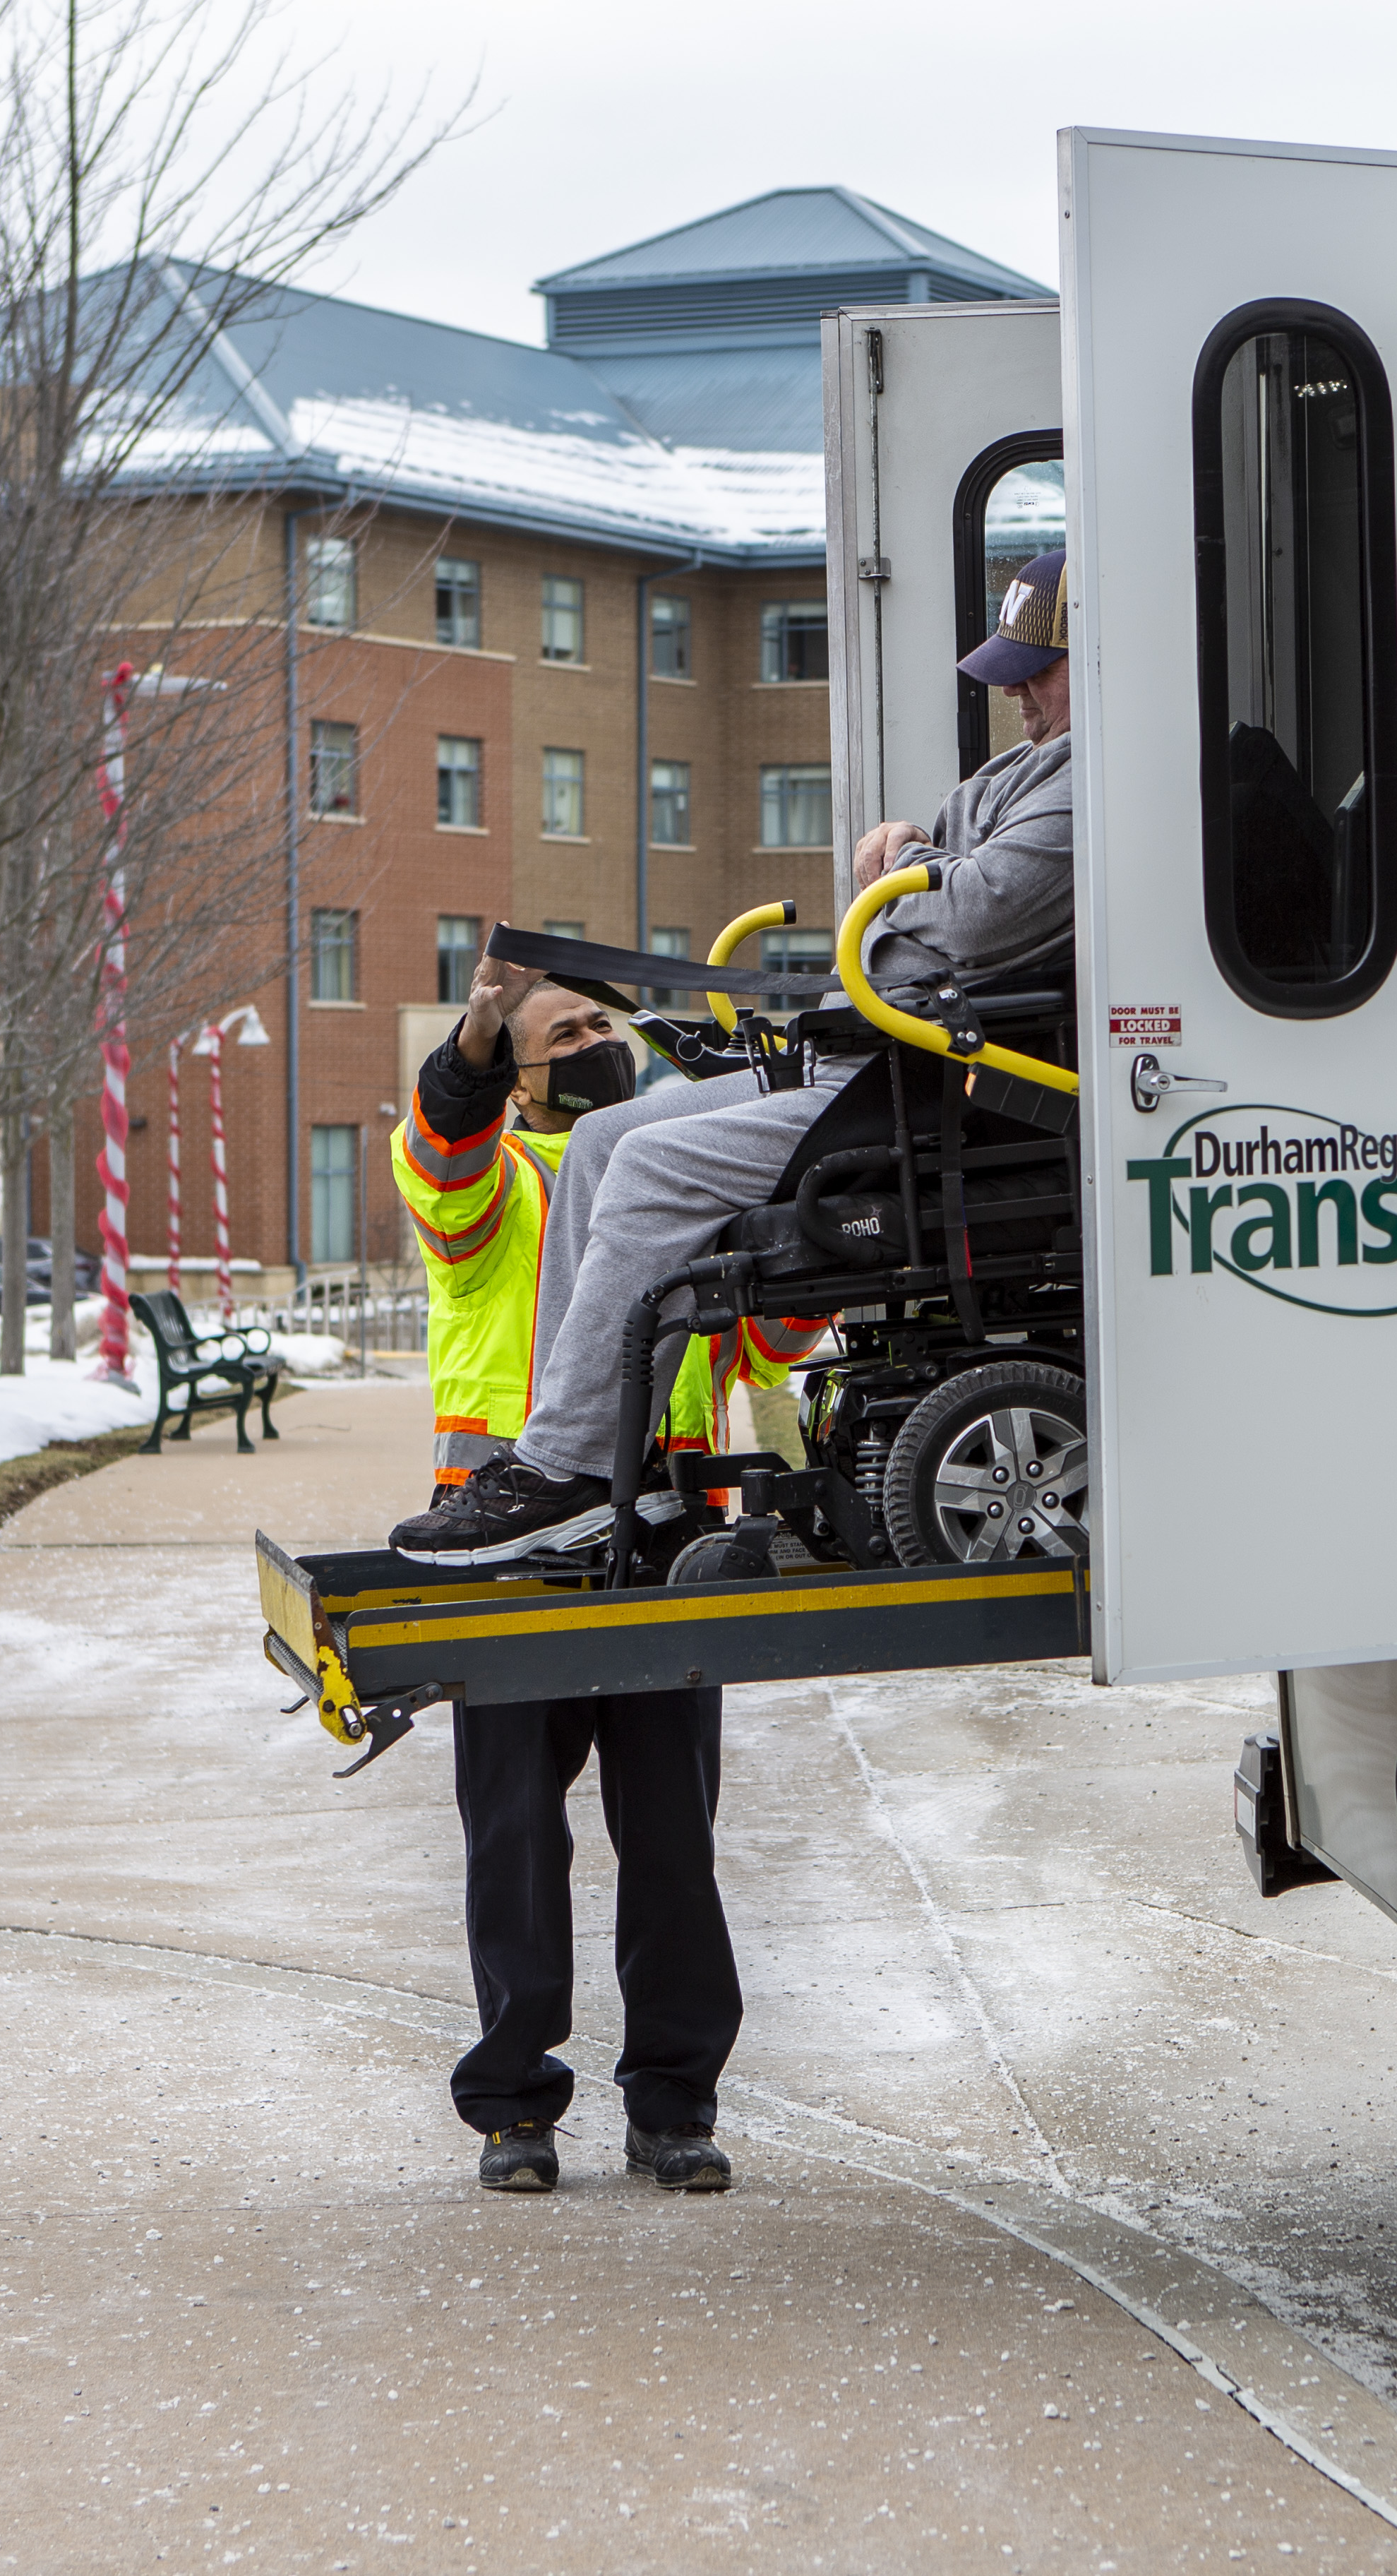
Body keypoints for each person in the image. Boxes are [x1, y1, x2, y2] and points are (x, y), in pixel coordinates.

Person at [390, 546, 1079, 1567]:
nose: (1016, 691)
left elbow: (964, 918)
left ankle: (569, 1466)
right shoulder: (1026, 771)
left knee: (649, 1164)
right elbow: (931, 896)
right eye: (1011, 669)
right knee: (602, 1141)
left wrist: (906, 873)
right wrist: (916, 880)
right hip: (886, 1051)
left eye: (1038, 668)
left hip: (949, 1082)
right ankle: (578, 1467)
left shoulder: (1095, 779)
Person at [394, 962, 824, 2193]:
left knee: (672, 1837)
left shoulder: (681, 1182)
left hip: (665, 1530)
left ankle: (673, 2101)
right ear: (519, 1077)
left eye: (601, 1025)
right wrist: (478, 1028)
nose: (594, 1043)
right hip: (506, 1545)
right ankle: (513, 2106)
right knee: (516, 1837)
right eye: (563, 1034)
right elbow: (442, 1148)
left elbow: (774, 1338)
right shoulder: (493, 1189)